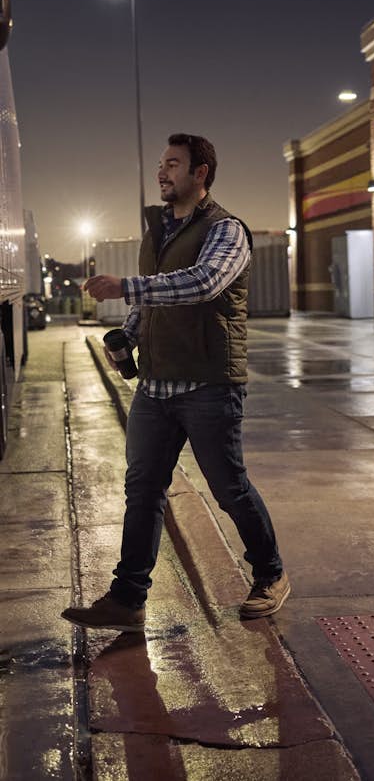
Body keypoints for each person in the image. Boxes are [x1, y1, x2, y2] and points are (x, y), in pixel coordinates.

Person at [62, 133, 289, 632]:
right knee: (142, 489)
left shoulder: (226, 230)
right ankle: (127, 599)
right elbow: (150, 305)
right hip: (157, 387)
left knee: (229, 488)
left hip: (209, 383)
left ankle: (270, 575)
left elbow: (203, 284)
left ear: (200, 173)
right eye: (160, 165)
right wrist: (131, 333)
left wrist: (125, 286)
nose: (162, 173)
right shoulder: (157, 233)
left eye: (172, 164)